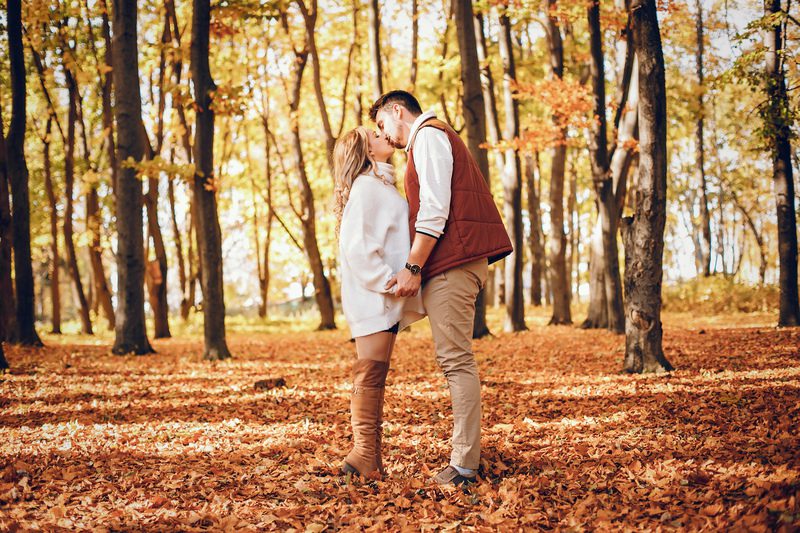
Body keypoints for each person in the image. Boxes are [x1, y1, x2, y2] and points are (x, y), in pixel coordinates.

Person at [370, 90, 512, 486]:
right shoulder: (431, 137)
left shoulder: (429, 136)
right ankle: (465, 458)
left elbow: (435, 208)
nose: (386, 135)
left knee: (456, 361)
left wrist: (413, 266)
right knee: (454, 360)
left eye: (382, 125)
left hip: (454, 263)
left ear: (396, 111)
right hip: (453, 262)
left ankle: (464, 466)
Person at [333, 126, 425, 479]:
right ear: (366, 150)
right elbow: (356, 247)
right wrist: (388, 280)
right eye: (372, 134)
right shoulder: (367, 188)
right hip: (372, 298)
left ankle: (368, 458)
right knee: (369, 373)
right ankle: (362, 456)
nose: (381, 133)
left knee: (375, 374)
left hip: (382, 299)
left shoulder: (380, 185)